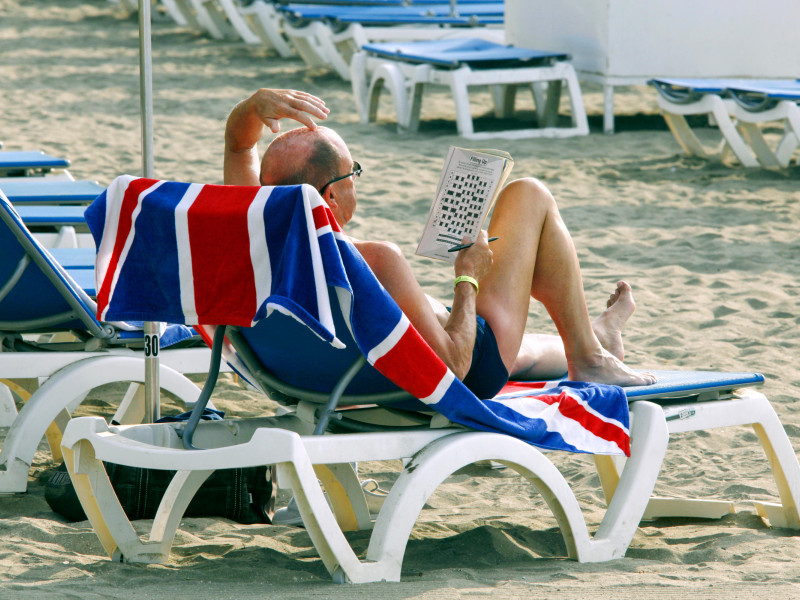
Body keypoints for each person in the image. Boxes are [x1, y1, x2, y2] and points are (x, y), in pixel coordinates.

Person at [223, 88, 655, 397]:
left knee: (526, 350)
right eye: (354, 170)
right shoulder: (375, 260)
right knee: (528, 194)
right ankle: (590, 358)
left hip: (320, 380)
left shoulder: (249, 239)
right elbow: (453, 366)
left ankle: (595, 337)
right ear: (332, 195)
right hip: (450, 372)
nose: (357, 179)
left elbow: (238, 146)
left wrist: (251, 106)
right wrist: (468, 279)